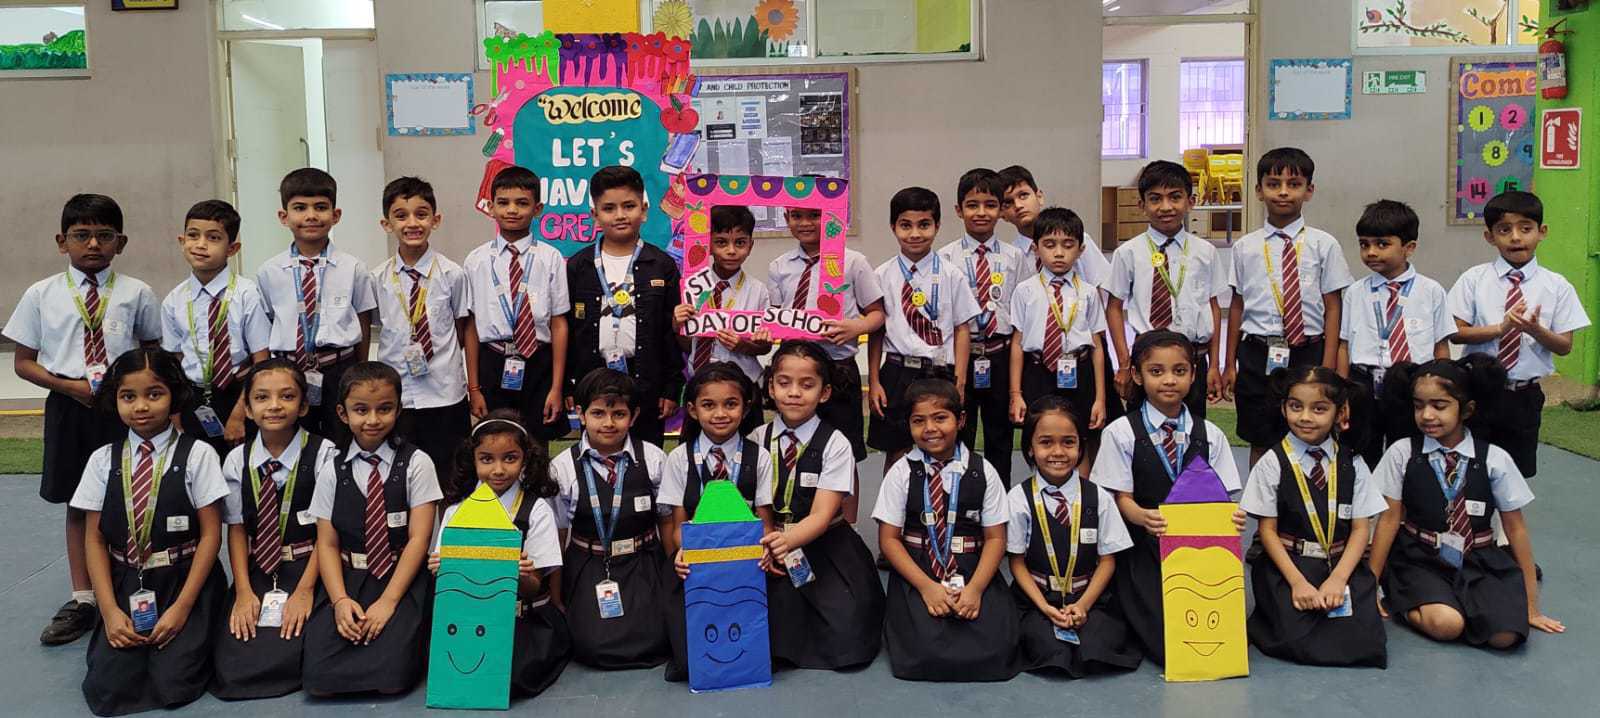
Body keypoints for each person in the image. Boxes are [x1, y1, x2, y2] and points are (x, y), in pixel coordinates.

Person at [5, 193, 162, 646]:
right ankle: (83, 598)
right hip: (69, 407)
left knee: (137, 495)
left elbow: (153, 352)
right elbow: (23, 362)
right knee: (79, 503)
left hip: (126, 410)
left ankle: (138, 584)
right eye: (81, 235)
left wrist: (139, 395)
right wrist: (68, 386)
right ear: (62, 241)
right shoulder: (41, 294)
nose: (93, 244)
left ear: (121, 242)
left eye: (104, 235)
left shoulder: (136, 292)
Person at [1368, 357, 1564, 649]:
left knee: (1505, 637)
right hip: (1419, 557)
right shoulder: (1402, 452)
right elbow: (1387, 520)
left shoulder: (1495, 458)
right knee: (1447, 625)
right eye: (1419, 406)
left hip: (1479, 558)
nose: (1427, 415)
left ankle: (1466, 603)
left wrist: (1531, 606)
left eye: (1439, 405)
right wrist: (1371, 589)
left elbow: (1516, 530)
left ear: (1467, 409)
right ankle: (1406, 602)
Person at [73, 348, 228, 716]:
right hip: (127, 582)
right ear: (115, 399)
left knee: (177, 681)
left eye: (154, 394)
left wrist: (182, 608)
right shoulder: (102, 460)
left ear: (174, 394)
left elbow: (211, 536)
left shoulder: (199, 454)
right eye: (128, 396)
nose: (141, 406)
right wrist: (109, 611)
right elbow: (94, 538)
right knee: (108, 689)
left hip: (185, 580)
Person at [1090, 330, 1243, 664]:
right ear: (1137, 376)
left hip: (1198, 552)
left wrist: (1233, 517)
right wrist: (1141, 516)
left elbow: (1224, 499)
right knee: (1167, 645)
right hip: (1141, 549)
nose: (1169, 380)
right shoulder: (1120, 433)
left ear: (1193, 374)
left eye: (1179, 371)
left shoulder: (1211, 435)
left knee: (1210, 639)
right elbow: (1117, 497)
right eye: (1156, 371)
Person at [302, 362, 440, 696]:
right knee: (318, 677)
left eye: (385, 409)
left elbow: (419, 540)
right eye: (361, 410)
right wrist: (339, 600)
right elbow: (327, 543)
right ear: (343, 413)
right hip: (349, 577)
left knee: (392, 674)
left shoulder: (417, 463)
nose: (373, 420)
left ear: (399, 409)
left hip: (401, 577)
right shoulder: (332, 468)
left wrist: (389, 601)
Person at [1241, 367, 1387, 668]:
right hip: (1289, 566)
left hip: (1340, 564)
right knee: (1295, 639)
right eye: (1296, 407)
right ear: (1284, 408)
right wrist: (1297, 583)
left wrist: (1338, 579)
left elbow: (1361, 529)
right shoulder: (1272, 462)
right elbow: (1267, 532)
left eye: (1319, 409)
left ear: (1340, 412)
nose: (1305, 417)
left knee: (1364, 642)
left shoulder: (1353, 463)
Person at [873, 379, 1018, 682]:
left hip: (972, 567)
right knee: (922, 649)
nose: (930, 428)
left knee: (997, 647)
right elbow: (889, 540)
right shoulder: (901, 472)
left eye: (940, 418)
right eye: (918, 421)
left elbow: (995, 538)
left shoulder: (983, 470)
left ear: (961, 420)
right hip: (919, 567)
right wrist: (927, 587)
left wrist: (975, 589)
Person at [210, 359, 336, 700]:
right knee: (232, 666)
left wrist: (305, 591)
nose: (275, 405)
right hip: (259, 570)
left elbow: (328, 533)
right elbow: (237, 531)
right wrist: (243, 592)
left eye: (287, 396)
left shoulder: (324, 454)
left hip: (312, 567)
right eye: (262, 397)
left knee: (302, 649)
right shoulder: (237, 459)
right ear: (248, 409)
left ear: (304, 405)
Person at [758, 341, 886, 670]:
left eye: (807, 384)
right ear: (771, 387)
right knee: (761, 623)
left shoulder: (836, 444)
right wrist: (768, 542)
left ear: (825, 392)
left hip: (824, 545)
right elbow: (757, 505)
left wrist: (784, 543)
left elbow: (822, 515)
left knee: (848, 636)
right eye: (784, 382)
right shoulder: (755, 439)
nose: (794, 393)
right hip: (767, 545)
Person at [1446, 190, 1591, 478]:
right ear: (1489, 236)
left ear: (1542, 232)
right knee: (1471, 470)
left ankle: (1507, 509)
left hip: (1523, 396)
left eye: (1526, 229)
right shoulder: (1474, 279)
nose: (1515, 238)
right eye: (1504, 230)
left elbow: (1564, 346)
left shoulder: (1557, 286)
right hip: (1477, 391)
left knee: (1514, 476)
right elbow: (1455, 333)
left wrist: (1535, 330)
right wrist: (1500, 329)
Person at [1224, 148, 1353, 468]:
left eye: (1294, 184)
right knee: (1260, 435)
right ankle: (1262, 497)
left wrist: (1327, 365)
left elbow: (1332, 307)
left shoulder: (1324, 245)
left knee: (1312, 432)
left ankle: (1310, 493)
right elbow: (1237, 306)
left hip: (1308, 351)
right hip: (1257, 353)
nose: (1283, 192)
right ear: (1259, 190)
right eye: (1273, 183)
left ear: (1309, 190)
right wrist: (1229, 364)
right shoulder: (1245, 247)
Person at [429, 410, 570, 699]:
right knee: (455, 668)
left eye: (509, 458)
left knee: (511, 678)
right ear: (473, 460)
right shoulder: (456, 512)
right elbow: (450, 587)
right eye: (486, 459)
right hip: (470, 619)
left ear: (525, 460)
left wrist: (519, 574)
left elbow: (534, 587)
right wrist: (440, 568)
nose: (498, 469)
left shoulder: (537, 510)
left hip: (523, 616)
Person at [1007, 395, 1140, 677]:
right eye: (1046, 442)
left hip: (1088, 596)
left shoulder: (1098, 497)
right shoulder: (1018, 499)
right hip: (1037, 598)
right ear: (1030, 447)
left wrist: (1082, 605)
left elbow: (1108, 561)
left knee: (1097, 646)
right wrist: (1044, 607)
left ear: (1081, 446)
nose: (1058, 452)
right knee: (1046, 646)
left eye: (1068, 442)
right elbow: (1016, 562)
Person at [549, 368, 674, 669]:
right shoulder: (561, 467)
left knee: (659, 638)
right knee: (589, 645)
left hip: (644, 562)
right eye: (598, 413)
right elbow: (557, 536)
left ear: (634, 416)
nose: (608, 423)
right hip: (588, 563)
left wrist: (672, 581)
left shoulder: (654, 458)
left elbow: (667, 522)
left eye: (618, 414)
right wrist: (555, 596)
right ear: (580, 414)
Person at [659, 362, 776, 682]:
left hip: (747, 562)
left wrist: (764, 551)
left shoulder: (759, 457)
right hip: (696, 563)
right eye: (709, 405)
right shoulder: (679, 459)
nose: (720, 413)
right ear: (692, 410)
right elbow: (678, 527)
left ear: (746, 408)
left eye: (731, 404)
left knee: (768, 639)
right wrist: (683, 554)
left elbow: (765, 521)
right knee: (689, 657)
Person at [255, 168, 378, 444]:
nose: (311, 215)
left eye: (320, 207)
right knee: (294, 440)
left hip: (339, 367)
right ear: (283, 216)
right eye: (300, 208)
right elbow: (268, 321)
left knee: (342, 439)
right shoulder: (269, 272)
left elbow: (363, 320)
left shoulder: (353, 267)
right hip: (289, 371)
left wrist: (359, 370)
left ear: (336, 215)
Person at [766, 195, 886, 474]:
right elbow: (774, 316)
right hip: (795, 371)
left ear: (832, 217)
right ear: (786, 218)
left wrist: (855, 327)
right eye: (797, 216)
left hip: (839, 370)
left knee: (845, 453)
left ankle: (846, 505)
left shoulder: (853, 262)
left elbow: (877, 314)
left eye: (814, 215)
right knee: (795, 447)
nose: (805, 223)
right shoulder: (778, 266)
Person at [565, 166, 684, 446]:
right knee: (597, 450)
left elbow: (669, 332)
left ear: (644, 210)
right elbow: (568, 329)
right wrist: (570, 383)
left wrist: (671, 387)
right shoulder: (579, 266)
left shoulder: (662, 265)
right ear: (595, 215)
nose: (620, 215)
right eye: (609, 208)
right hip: (592, 379)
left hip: (646, 381)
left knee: (645, 454)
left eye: (629, 206)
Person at [1105, 161, 1229, 421]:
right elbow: (1114, 308)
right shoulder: (1128, 253)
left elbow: (1213, 308)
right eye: (1155, 199)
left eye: (1175, 197)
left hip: (1192, 358)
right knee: (1142, 432)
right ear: (1142, 205)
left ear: (1190, 202)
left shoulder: (1205, 252)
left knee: (1192, 429)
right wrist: (1125, 363)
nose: (1165, 207)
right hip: (1146, 360)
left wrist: (1214, 365)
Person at [868, 186, 980, 469]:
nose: (915, 234)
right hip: (897, 371)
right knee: (897, 451)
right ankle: (895, 499)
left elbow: (962, 329)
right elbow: (876, 331)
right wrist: (874, 381)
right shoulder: (881, 275)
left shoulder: (952, 274)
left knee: (942, 446)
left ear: (937, 226)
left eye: (924, 225)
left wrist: (960, 381)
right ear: (893, 227)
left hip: (940, 372)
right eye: (906, 225)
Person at [462, 165, 571, 447]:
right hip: (493, 362)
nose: (512, 210)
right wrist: (474, 387)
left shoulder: (551, 258)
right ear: (491, 207)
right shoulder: (476, 261)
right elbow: (470, 326)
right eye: (503, 202)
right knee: (494, 442)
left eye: (522, 203)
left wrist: (556, 388)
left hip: (539, 363)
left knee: (536, 446)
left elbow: (559, 323)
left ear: (538, 209)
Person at [1338, 200, 1453, 468]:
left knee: (1409, 453)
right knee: (1361, 452)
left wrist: (1444, 390)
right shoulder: (1355, 292)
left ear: (1409, 247)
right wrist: (1342, 393)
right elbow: (1344, 345)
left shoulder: (1431, 291)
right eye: (1364, 244)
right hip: (1363, 383)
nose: (1371, 252)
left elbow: (1440, 346)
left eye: (1382, 244)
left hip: (1412, 383)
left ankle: (1404, 495)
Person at [372, 176, 472, 472]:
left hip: (444, 390)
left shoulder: (452, 274)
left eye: (421, 214)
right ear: (386, 224)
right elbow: (378, 327)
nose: (412, 223)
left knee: (450, 472)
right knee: (400, 471)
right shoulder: (377, 278)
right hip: (397, 393)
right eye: (401, 216)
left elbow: (462, 328)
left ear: (435, 220)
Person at [938, 168, 1028, 486]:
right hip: (961, 357)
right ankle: (960, 495)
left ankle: (997, 500)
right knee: (958, 431)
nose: (981, 212)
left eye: (990, 205)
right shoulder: (944, 258)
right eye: (972, 205)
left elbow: (1020, 314)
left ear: (1001, 210)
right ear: (958, 209)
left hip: (1000, 354)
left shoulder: (1016, 257)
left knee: (999, 436)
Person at [161, 199, 271, 455]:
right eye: (193, 235)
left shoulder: (247, 294)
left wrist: (240, 414)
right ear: (181, 241)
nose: (201, 244)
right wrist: (175, 413)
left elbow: (262, 360)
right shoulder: (174, 300)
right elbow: (173, 363)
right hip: (193, 397)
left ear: (232, 248)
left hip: (240, 393)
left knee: (240, 463)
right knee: (195, 462)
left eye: (213, 238)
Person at [1008, 208, 1111, 469]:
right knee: (1038, 434)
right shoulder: (1024, 291)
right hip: (1038, 371)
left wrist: (1100, 398)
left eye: (1068, 245)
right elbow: (1018, 343)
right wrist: (1016, 394)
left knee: (1081, 437)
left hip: (1079, 371)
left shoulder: (1088, 293)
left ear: (1081, 250)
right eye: (1049, 244)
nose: (1058, 253)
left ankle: (1081, 490)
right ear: (1035, 248)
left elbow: (1097, 346)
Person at [672, 205, 773, 437]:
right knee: (694, 448)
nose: (731, 250)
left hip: (744, 386)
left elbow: (765, 345)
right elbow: (687, 345)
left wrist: (743, 345)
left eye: (740, 242)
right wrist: (677, 327)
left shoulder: (758, 291)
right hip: (700, 386)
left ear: (751, 245)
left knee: (749, 448)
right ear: (707, 244)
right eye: (721, 242)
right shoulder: (692, 287)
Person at [997, 165, 1112, 287]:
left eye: (1023, 195)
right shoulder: (1011, 256)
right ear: (1002, 214)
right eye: (1008, 202)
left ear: (1039, 197)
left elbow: (1105, 284)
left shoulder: (1076, 240)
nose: (1018, 205)